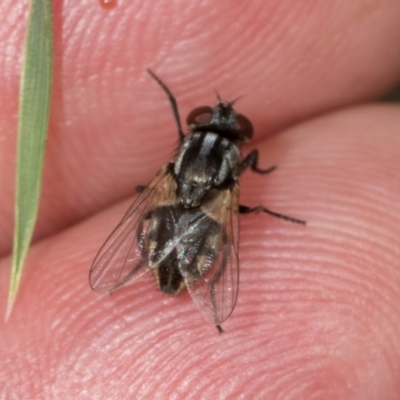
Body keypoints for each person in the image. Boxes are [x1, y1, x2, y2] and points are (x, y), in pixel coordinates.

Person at [1, 1, 400, 398]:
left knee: (148, 201)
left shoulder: (176, 162)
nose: (222, 115)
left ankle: (152, 265)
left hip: (174, 203)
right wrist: (252, 182)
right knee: (229, 231)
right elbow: (235, 190)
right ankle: (197, 284)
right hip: (199, 227)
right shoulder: (232, 171)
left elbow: (170, 170)